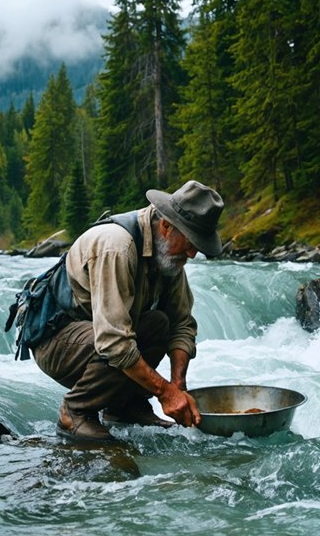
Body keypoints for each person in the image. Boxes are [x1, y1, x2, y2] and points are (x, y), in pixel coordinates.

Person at [31, 180, 224, 441]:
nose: (192, 253)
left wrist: (178, 384)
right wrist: (166, 394)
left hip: (97, 336)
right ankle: (74, 412)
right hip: (56, 340)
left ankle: (124, 407)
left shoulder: (170, 256)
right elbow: (114, 343)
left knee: (158, 323)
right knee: (125, 339)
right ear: (167, 226)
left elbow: (182, 324)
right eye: (191, 242)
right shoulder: (117, 246)